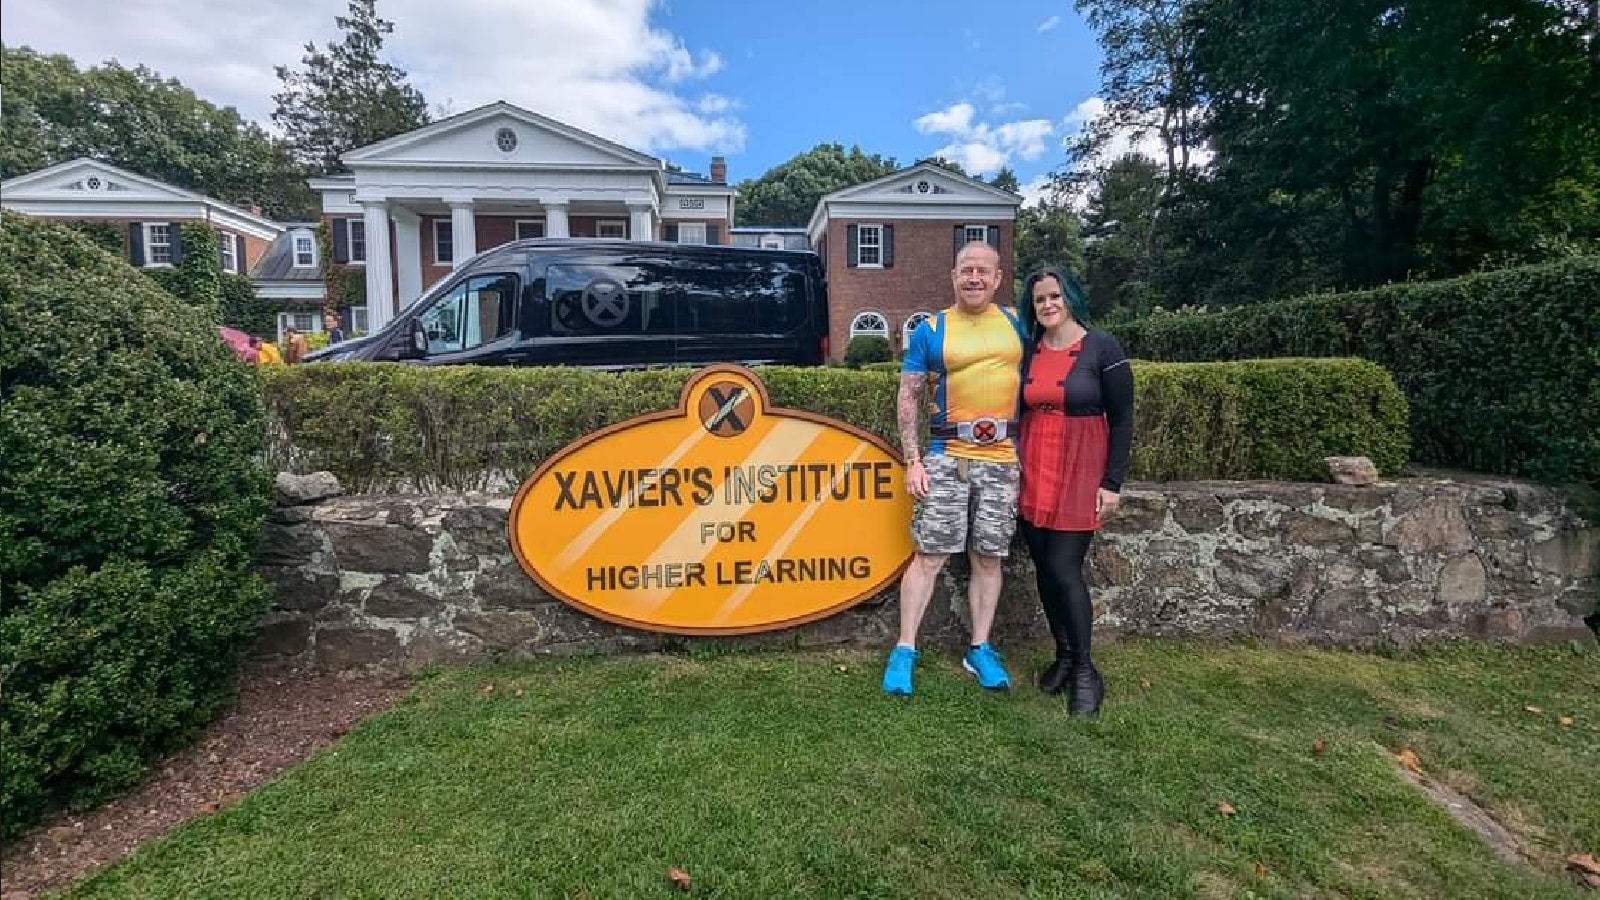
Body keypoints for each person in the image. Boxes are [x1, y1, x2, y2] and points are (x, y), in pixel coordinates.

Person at [881, 241, 1028, 696]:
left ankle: (979, 648)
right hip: (947, 457)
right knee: (929, 556)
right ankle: (904, 649)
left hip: (1002, 459)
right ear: (953, 275)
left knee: (989, 557)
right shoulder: (931, 329)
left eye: (984, 270)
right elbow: (909, 395)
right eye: (967, 270)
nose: (975, 278)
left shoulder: (1019, 327)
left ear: (999, 278)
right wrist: (913, 460)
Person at [1015, 265, 1134, 715]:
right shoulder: (1030, 351)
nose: (1047, 304)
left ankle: (1085, 671)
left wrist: (1112, 481)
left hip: (1081, 468)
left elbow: (1123, 420)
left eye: (1054, 296)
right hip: (1035, 466)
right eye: (1040, 299)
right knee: (1045, 569)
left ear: (1071, 298)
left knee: (1066, 568)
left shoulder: (1103, 347)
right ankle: (1063, 655)